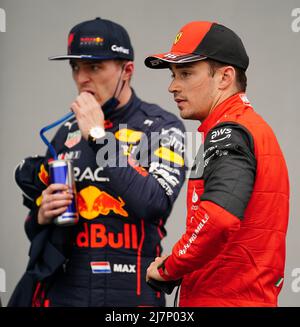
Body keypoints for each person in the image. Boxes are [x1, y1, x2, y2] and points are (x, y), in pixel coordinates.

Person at [9, 17, 186, 307]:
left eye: (94, 67)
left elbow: (154, 202)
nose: (81, 78)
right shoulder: (66, 132)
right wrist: (42, 212)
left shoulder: (162, 127)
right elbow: (36, 228)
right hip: (67, 291)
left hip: (131, 294)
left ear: (127, 70)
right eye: (75, 68)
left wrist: (98, 135)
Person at [145, 21, 290, 307]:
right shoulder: (243, 127)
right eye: (174, 75)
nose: (173, 86)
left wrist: (171, 266)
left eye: (185, 74)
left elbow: (219, 217)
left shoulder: (229, 131)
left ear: (224, 78)